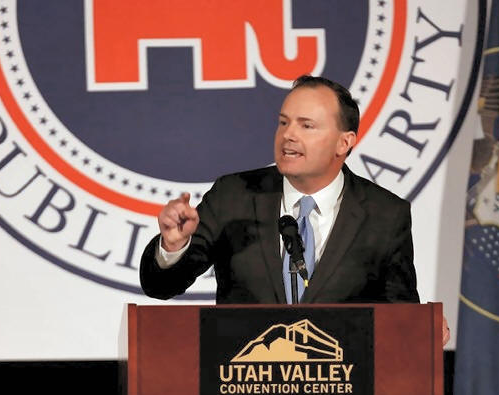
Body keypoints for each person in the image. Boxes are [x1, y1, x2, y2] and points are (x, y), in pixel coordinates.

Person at [139, 75, 450, 344]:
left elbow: (399, 312)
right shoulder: (233, 196)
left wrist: (420, 329)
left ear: (344, 142)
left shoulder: (385, 215)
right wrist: (173, 246)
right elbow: (161, 286)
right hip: (244, 383)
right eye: (284, 122)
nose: (288, 135)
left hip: (344, 389)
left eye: (307, 125)